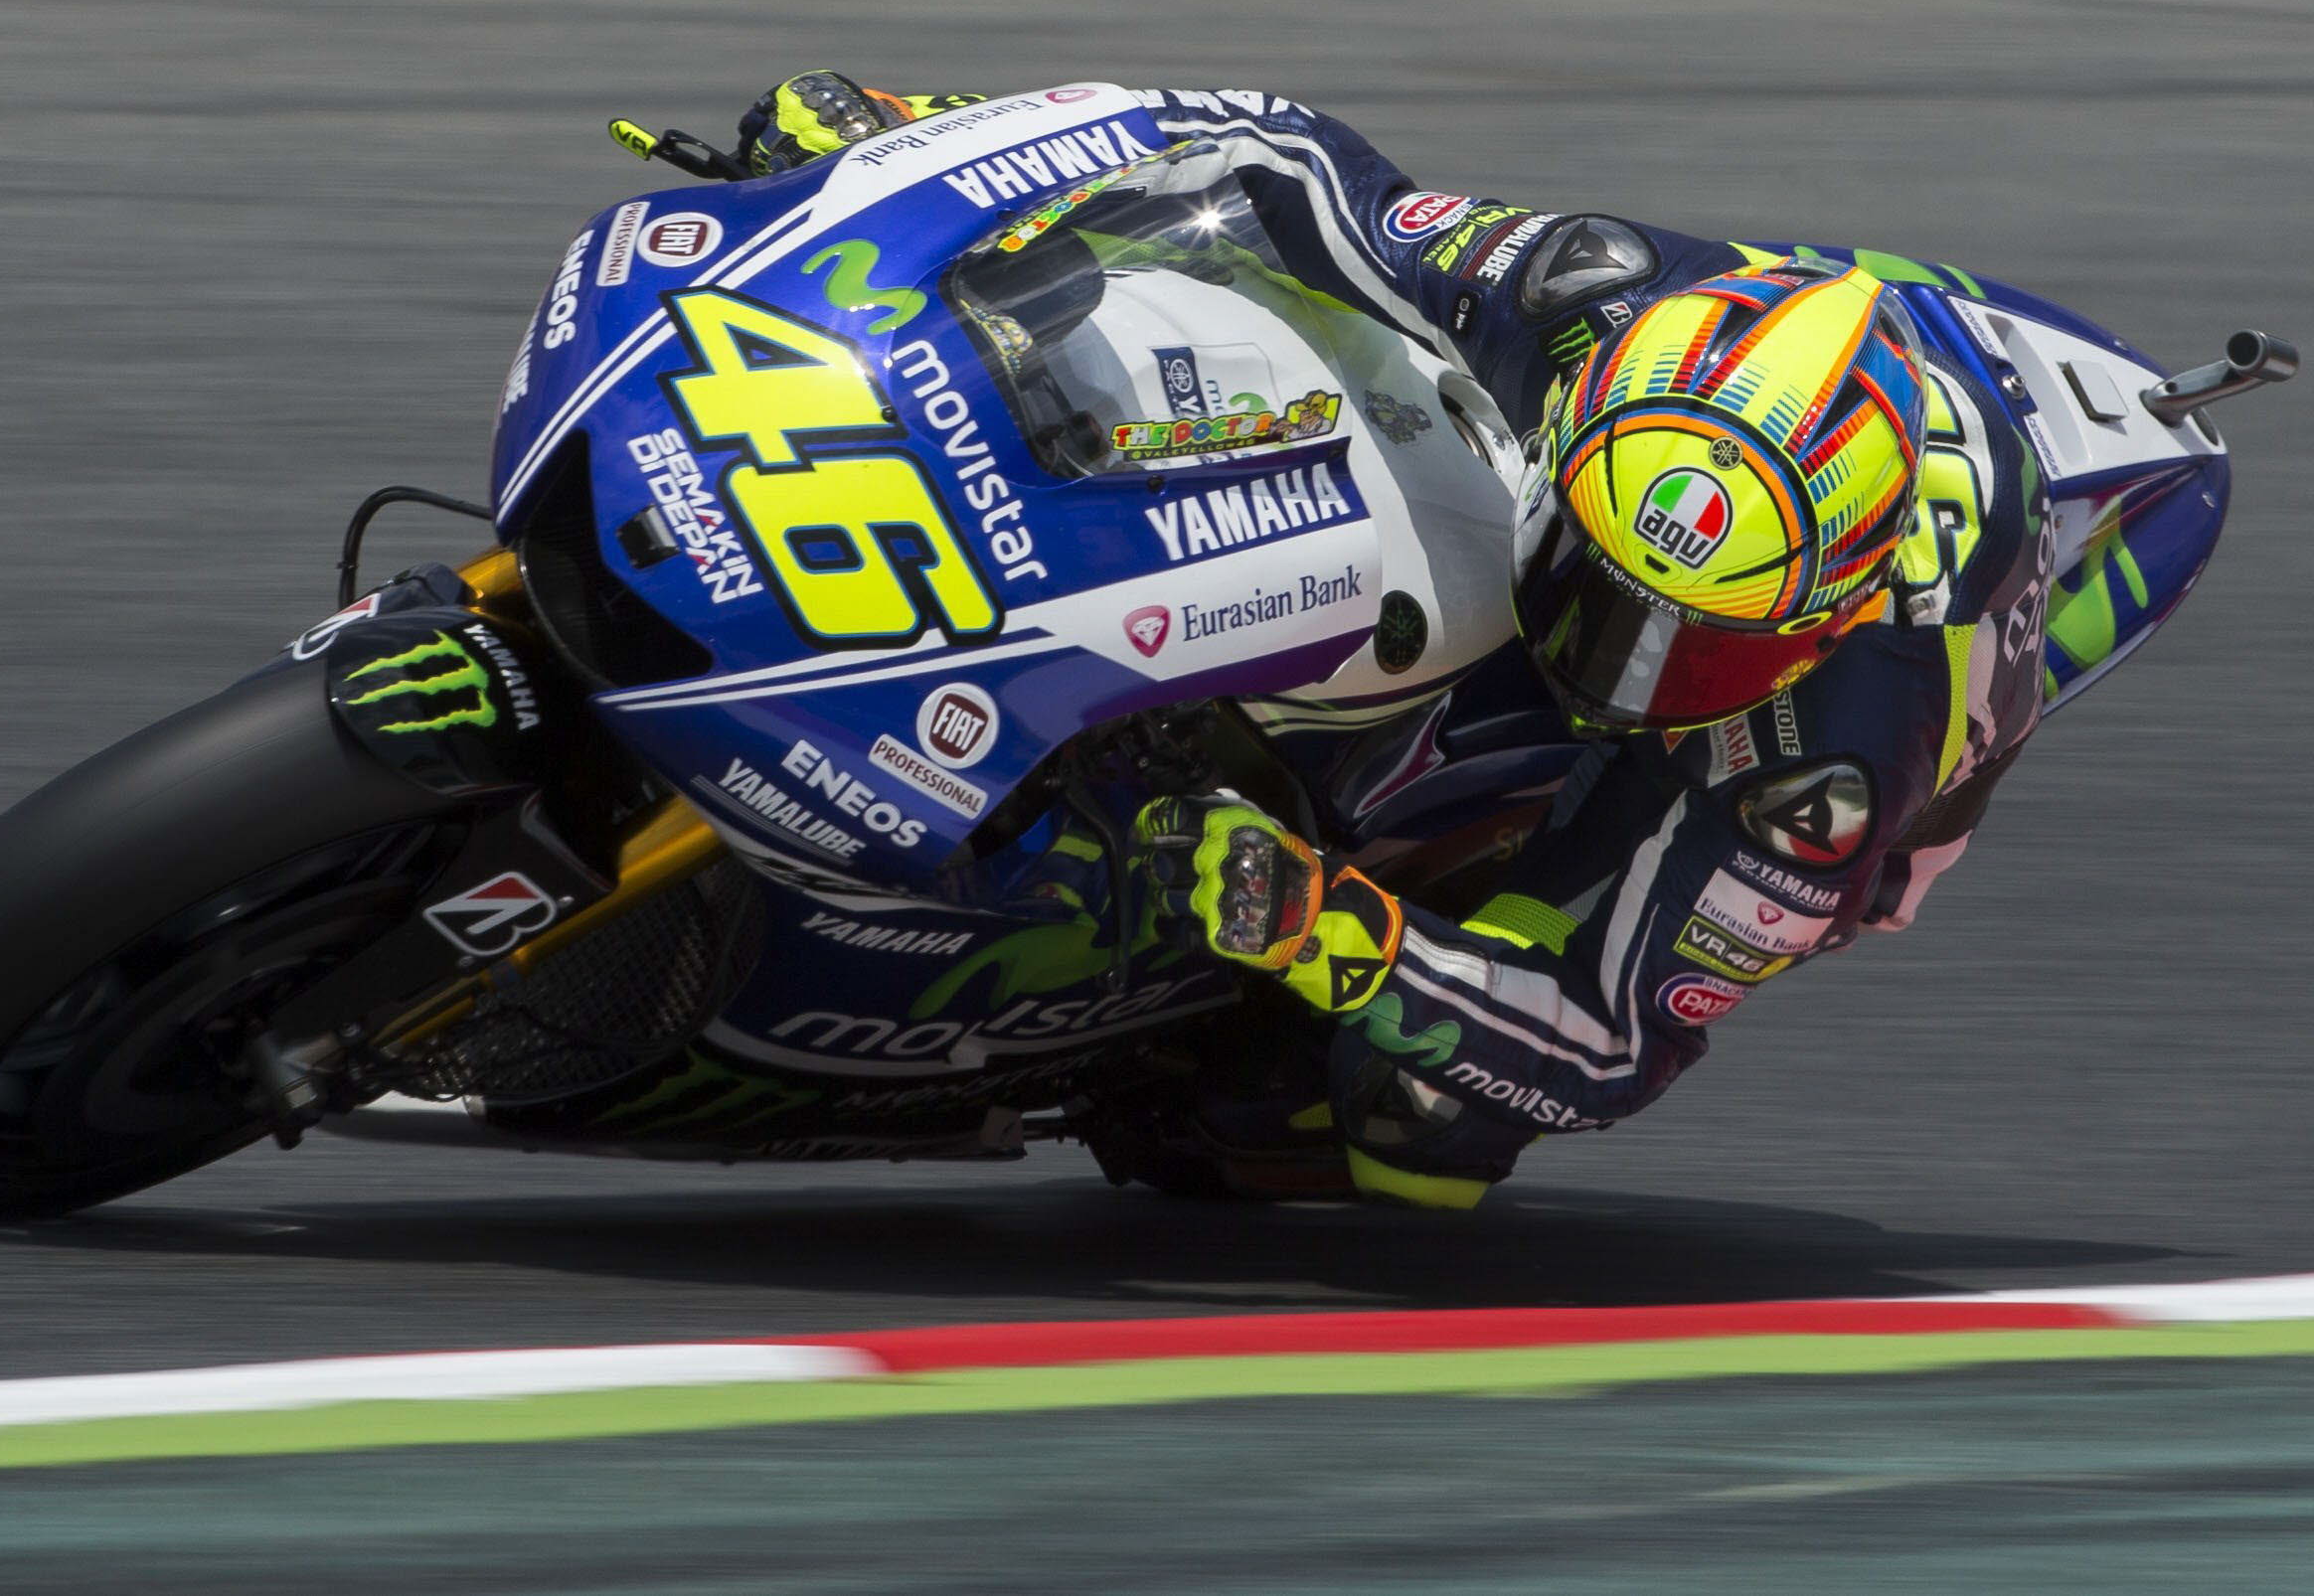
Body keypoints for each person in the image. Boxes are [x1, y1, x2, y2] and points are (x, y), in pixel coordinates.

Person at [737, 73, 2052, 1208]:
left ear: (1814, 618)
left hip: (1745, 751)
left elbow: (1607, 1043)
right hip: (1711, 405)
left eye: (1685, 642)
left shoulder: (1829, 765)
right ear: (1588, 419)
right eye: (1608, 592)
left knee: (1404, 1124)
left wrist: (1332, 927)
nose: (1623, 665)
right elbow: (1281, 159)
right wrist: (921, 143)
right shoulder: (1573, 297)